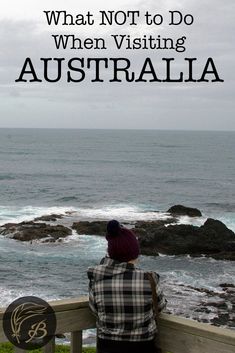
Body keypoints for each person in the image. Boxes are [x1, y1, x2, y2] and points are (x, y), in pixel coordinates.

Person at [87, 220, 167, 353]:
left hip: (107, 346)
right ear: (134, 252)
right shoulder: (149, 279)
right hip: (142, 347)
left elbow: (94, 310)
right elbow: (159, 306)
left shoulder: (97, 279)